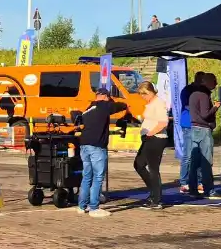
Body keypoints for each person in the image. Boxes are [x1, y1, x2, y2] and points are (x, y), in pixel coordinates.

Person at [76, 87, 128, 218]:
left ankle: (82, 206)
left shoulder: (89, 108)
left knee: (87, 176)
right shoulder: (104, 106)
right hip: (97, 146)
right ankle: (94, 208)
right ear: (105, 96)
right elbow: (120, 106)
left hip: (84, 145)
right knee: (98, 177)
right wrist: (124, 105)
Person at [133, 81, 169, 209]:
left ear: (151, 92)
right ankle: (153, 192)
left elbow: (163, 122)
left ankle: (156, 199)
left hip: (155, 138)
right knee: (139, 164)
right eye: (141, 94)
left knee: (153, 168)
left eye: (144, 94)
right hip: (148, 138)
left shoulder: (158, 103)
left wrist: (150, 133)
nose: (143, 97)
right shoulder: (151, 103)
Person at [187, 73, 220, 198]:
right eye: (214, 81)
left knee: (194, 162)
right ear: (206, 82)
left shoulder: (193, 94)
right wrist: (215, 107)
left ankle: (192, 188)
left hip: (194, 128)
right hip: (203, 130)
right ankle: (209, 189)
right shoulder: (204, 95)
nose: (216, 84)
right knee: (206, 161)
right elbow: (205, 114)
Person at [177, 71, 205, 194]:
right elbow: (187, 105)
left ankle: (199, 181)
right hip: (188, 124)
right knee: (188, 155)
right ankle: (184, 182)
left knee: (198, 154)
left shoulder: (203, 91)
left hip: (199, 125)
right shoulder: (187, 90)